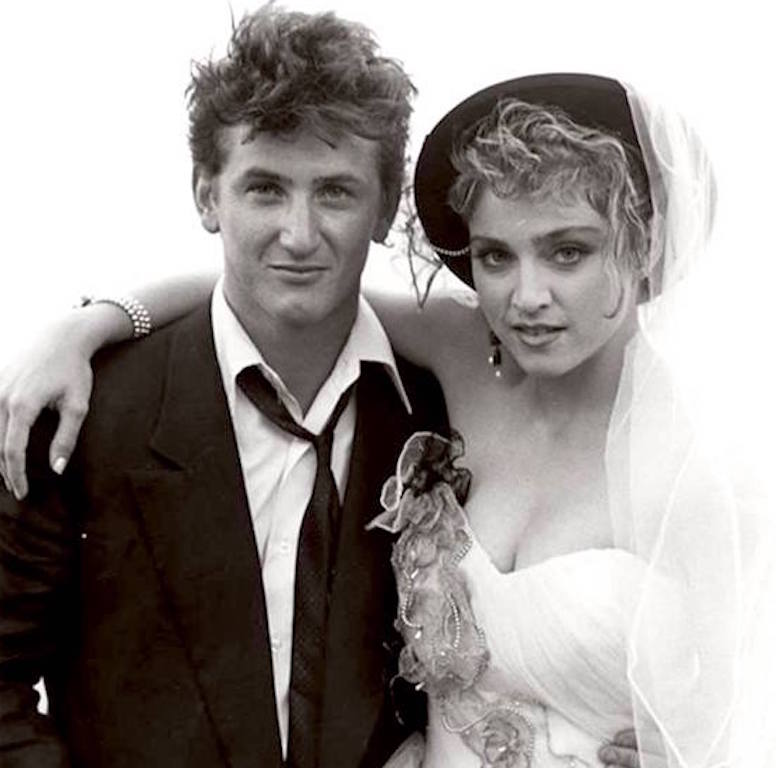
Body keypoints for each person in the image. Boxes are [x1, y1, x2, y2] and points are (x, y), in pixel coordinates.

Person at [0, 45, 706, 768]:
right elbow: (281, 287)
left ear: (644, 245)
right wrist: (92, 322)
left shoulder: (700, 461)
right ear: (208, 195)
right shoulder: (465, 356)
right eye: (496, 256)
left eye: (569, 253)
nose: (527, 297)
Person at [0, 6, 454, 767]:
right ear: (207, 195)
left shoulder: (439, 410)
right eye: (265, 189)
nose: (299, 235)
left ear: (384, 207)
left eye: (335, 193)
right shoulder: (83, 410)